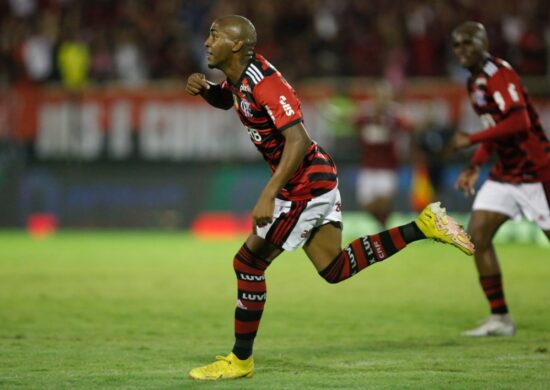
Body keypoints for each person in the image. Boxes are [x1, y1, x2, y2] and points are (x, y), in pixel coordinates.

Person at [185, 15, 474, 381]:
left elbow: (298, 140)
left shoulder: (265, 84)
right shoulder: (239, 77)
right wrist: (210, 91)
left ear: (237, 44)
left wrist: (269, 194)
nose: (207, 41)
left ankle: (240, 360)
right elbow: (230, 101)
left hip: (303, 185)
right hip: (314, 178)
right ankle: (423, 226)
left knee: (247, 264)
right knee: (334, 269)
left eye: (214, 34)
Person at [451, 21, 550, 337]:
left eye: (468, 43)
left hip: (536, 171)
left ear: (484, 42)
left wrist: (472, 138)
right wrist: (476, 164)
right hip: (505, 173)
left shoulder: (499, 74)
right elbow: (497, 130)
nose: (462, 50)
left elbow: (519, 122)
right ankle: (500, 318)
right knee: (477, 236)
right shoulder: (474, 81)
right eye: (457, 45)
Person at [353, 82, 413, 228]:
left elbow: (410, 126)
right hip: (368, 166)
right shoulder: (366, 114)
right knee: (365, 204)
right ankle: (383, 225)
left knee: (384, 201)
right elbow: (353, 123)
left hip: (388, 167)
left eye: (384, 96)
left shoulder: (394, 114)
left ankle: (383, 226)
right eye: (378, 96)